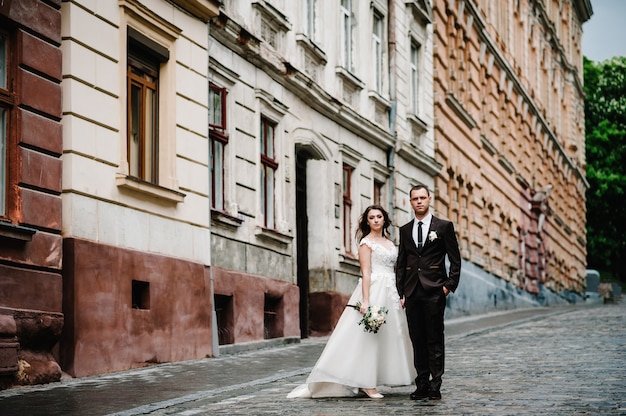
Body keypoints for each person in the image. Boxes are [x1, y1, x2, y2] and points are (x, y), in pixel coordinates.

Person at [287, 204, 416, 399]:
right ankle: (366, 384)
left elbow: (397, 270)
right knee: (368, 337)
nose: (375, 220)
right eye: (371, 217)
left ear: (384, 219)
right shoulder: (366, 243)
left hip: (391, 290)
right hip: (374, 289)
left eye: (379, 216)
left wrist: (401, 293)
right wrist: (365, 300)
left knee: (390, 336)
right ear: (367, 221)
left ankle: (377, 376)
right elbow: (365, 272)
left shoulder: (390, 243)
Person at [396, 184, 461, 401]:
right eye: (415, 198)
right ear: (410, 201)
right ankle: (421, 383)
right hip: (412, 291)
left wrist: (449, 285)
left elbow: (455, 259)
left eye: (423, 198)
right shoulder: (405, 230)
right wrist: (401, 292)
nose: (419, 201)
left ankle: (435, 384)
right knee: (417, 339)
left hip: (435, 290)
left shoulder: (443, 227)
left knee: (434, 338)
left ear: (429, 199)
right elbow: (402, 261)